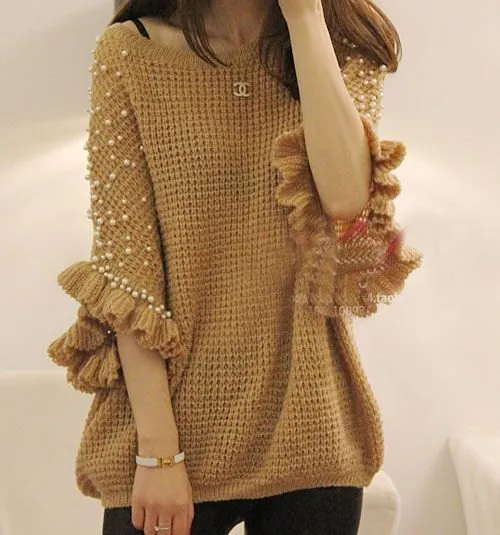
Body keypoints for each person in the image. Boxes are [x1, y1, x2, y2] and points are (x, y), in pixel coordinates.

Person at [47, 1, 423, 534]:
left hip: (312, 430)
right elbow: (128, 276)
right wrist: (159, 453)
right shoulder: (131, 52)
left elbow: (345, 199)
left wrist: (305, 18)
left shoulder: (340, 47)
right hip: (170, 434)